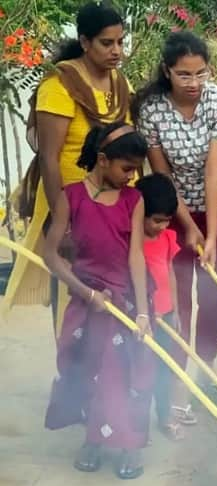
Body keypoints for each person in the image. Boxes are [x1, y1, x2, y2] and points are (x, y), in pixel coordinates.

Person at [2, 1, 133, 335]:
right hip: (72, 206)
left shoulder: (120, 85)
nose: (116, 51)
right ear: (85, 42)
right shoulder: (58, 87)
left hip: (115, 208)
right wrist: (65, 216)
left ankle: (110, 374)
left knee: (116, 290)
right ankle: (73, 375)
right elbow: (49, 157)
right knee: (75, 291)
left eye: (120, 42)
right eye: (107, 43)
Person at [135, 32, 217, 421]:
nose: (194, 84)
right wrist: (186, 227)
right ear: (167, 72)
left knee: (214, 292)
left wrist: (208, 234)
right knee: (176, 295)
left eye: (201, 73)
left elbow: (215, 171)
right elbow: (162, 176)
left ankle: (206, 371)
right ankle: (177, 379)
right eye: (184, 75)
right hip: (171, 213)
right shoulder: (152, 111)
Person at [43, 122, 153, 480]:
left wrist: (144, 313)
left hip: (123, 305)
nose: (131, 176)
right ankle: (93, 439)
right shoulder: (70, 196)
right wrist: (85, 292)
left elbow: (136, 256)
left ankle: (129, 446)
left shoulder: (133, 200)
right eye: (126, 168)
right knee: (83, 368)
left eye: (136, 169)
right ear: (103, 160)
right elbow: (51, 255)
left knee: (120, 374)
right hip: (85, 301)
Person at [135, 173, 193, 441]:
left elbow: (169, 272)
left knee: (164, 368)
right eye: (156, 220)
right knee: (138, 368)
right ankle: (136, 419)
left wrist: (177, 310)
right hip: (143, 318)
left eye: (167, 220)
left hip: (166, 314)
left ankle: (164, 415)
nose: (162, 226)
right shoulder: (131, 241)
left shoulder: (168, 237)